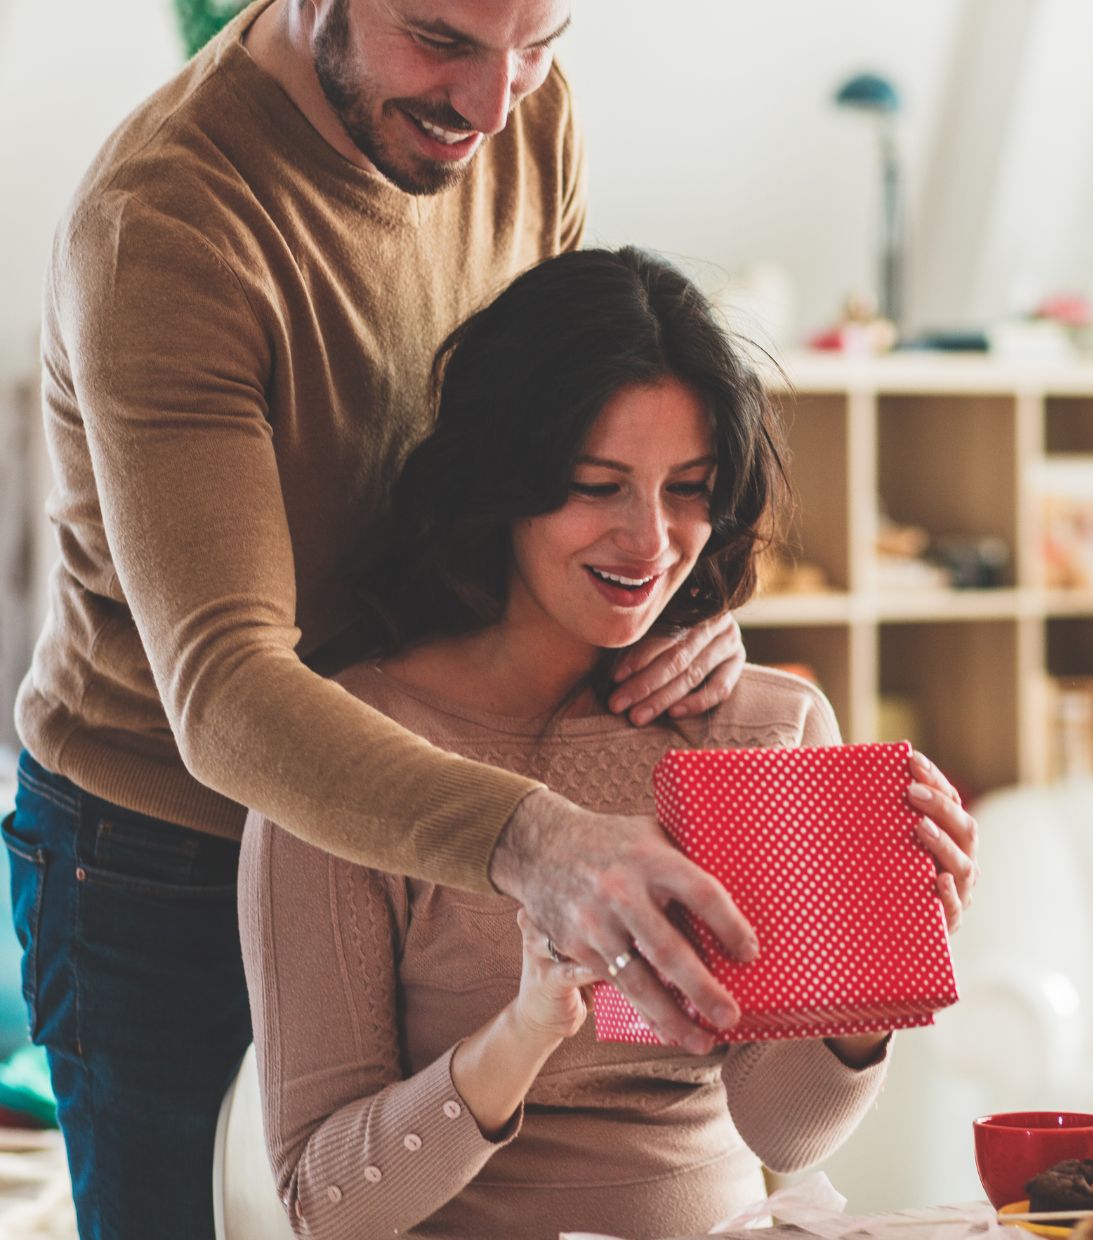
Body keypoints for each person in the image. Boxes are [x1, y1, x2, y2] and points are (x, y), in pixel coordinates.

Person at [7, 2, 788, 1235]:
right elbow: (224, 690)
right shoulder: (162, 224)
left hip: (438, 792)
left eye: (536, 41)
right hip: (168, 834)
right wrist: (540, 844)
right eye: (443, 42)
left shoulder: (522, 111)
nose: (492, 104)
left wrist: (681, 604)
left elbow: (548, 430)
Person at [239, 245, 979, 1238]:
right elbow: (323, 1204)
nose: (651, 541)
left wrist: (872, 977)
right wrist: (525, 1027)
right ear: (504, 479)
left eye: (688, 487)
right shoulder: (350, 754)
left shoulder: (767, 724)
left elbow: (784, 1131)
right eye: (598, 485)